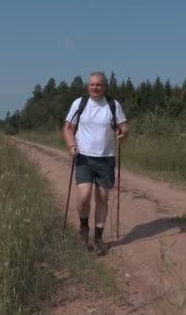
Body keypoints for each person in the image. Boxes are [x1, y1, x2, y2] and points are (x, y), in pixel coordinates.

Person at [62, 71, 129, 254]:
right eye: (92, 84)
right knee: (84, 197)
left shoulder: (113, 105)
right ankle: (83, 230)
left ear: (104, 87)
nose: (95, 88)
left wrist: (123, 135)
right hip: (83, 157)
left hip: (106, 158)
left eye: (98, 85)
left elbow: (124, 127)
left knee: (102, 198)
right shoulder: (79, 104)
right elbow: (68, 129)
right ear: (88, 86)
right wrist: (71, 146)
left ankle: (98, 239)